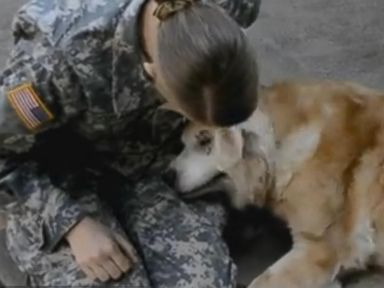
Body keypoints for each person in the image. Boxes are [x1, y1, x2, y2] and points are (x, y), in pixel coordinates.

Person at [0, 0, 260, 286]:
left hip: (142, 166)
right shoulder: (54, 63)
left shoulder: (230, 7)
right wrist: (70, 224)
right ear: (149, 73)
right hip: (55, 179)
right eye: (179, 109)